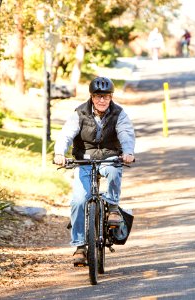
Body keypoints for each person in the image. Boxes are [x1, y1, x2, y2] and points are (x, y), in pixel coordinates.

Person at [54, 76, 135, 265]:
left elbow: (126, 133)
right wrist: (59, 153)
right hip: (85, 159)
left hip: (110, 157)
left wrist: (128, 152)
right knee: (78, 201)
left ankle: (113, 208)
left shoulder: (119, 113)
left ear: (111, 97)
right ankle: (80, 246)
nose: (102, 100)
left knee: (114, 172)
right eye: (98, 96)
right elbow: (67, 133)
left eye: (106, 97)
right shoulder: (79, 113)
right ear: (91, 97)